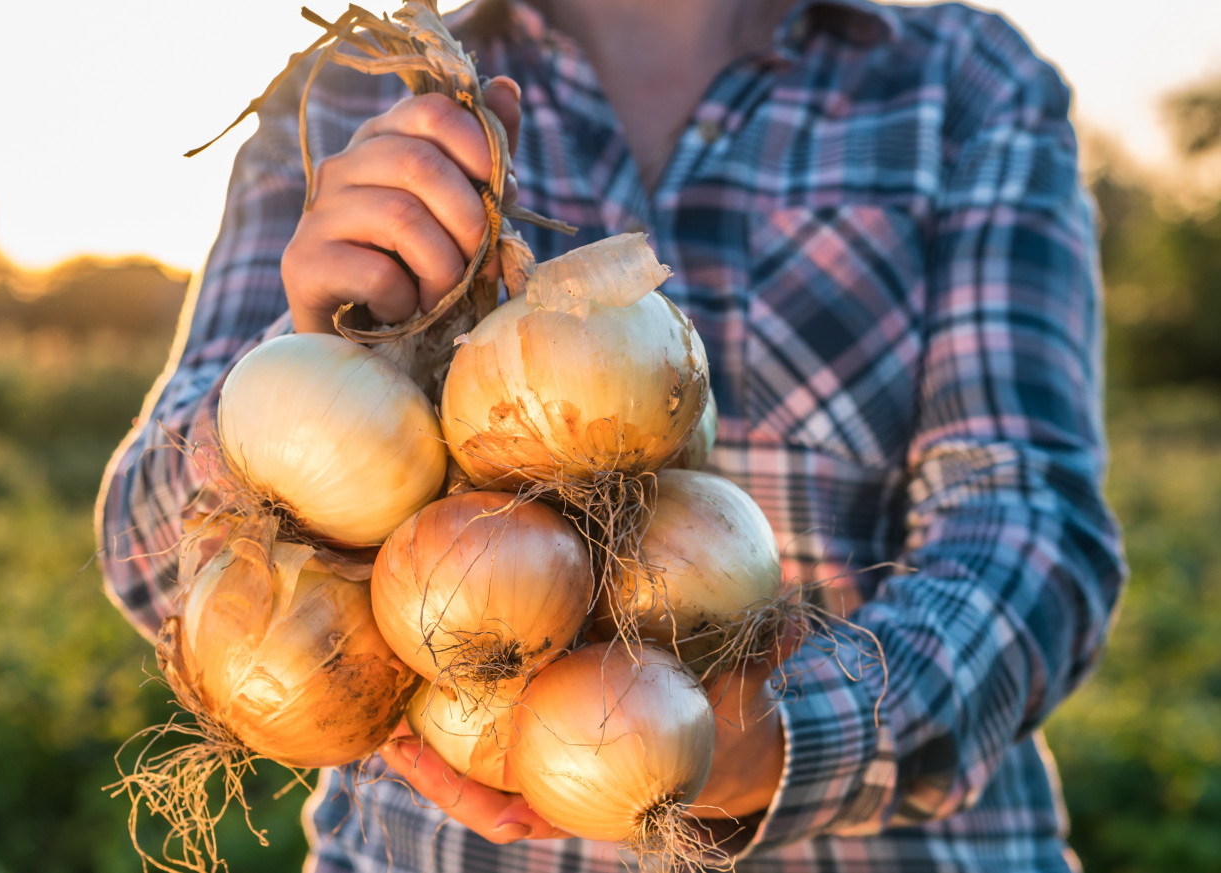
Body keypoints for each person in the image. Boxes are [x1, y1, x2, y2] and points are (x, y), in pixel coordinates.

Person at [96, 0, 1128, 869]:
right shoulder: (356, 88)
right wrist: (323, 349)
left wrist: (776, 742)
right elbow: (143, 551)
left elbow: (1027, 520)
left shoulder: (960, 82)